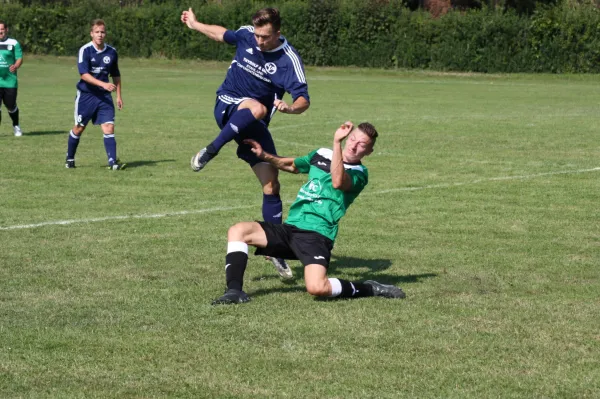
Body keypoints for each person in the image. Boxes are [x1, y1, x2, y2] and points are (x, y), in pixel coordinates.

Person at [212, 121, 406, 305]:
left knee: (317, 288)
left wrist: (337, 143)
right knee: (239, 230)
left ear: (369, 152)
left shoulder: (359, 174)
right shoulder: (321, 154)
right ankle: (234, 291)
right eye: (353, 138)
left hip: (317, 236)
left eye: (362, 145)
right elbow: (292, 165)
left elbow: (338, 181)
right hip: (290, 229)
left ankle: (369, 288)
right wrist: (264, 155)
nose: (354, 145)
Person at [181, 7, 310, 279]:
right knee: (258, 108)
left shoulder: (289, 59)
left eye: (265, 37)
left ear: (278, 32)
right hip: (228, 103)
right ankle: (211, 149)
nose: (259, 41)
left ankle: (274, 250)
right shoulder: (246, 35)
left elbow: (303, 98)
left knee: (272, 184)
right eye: (257, 35)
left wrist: (291, 109)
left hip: (254, 123)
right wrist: (195, 24)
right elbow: (221, 35)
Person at [65, 19, 125, 170]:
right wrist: (103, 84)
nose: (100, 35)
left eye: (102, 32)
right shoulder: (85, 50)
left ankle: (113, 162)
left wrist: (118, 96)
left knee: (109, 127)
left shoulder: (112, 52)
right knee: (79, 128)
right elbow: (83, 75)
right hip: (86, 96)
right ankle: (70, 158)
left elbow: (116, 75)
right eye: (97, 32)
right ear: (91, 34)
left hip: (104, 97)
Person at [0, 21, 23, 137]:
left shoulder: (13, 43)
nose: (0, 32)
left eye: (2, 29)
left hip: (9, 81)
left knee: (11, 106)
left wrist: (16, 66)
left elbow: (19, 58)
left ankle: (16, 125)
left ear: (6, 30)